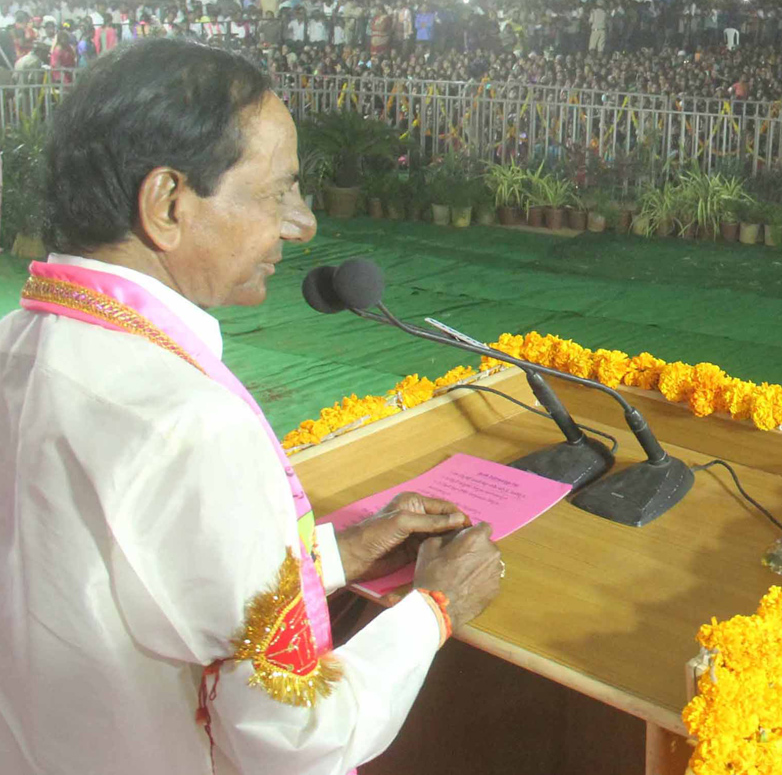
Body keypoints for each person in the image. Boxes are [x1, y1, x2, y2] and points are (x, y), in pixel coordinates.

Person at [0, 41, 503, 775]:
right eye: (277, 194)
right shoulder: (188, 421)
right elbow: (291, 734)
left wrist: (333, 555)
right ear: (168, 203)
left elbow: (126, 583)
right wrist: (435, 608)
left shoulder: (17, 347)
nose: (301, 226)